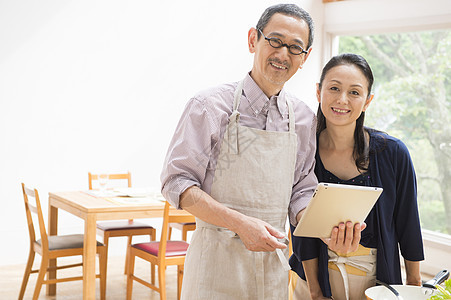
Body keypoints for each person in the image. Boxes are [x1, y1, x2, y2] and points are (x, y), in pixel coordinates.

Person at [161, 4, 362, 299]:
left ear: (305, 58)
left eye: (295, 48)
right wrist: (240, 224)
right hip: (214, 265)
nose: (283, 54)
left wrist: (326, 229)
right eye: (275, 41)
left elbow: (300, 191)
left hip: (272, 267)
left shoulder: (305, 119)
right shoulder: (208, 106)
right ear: (253, 40)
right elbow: (176, 184)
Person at [289, 53, 425, 300]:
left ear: (367, 101)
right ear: (319, 92)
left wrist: (413, 286)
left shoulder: (393, 153)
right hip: (312, 281)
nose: (342, 100)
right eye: (334, 88)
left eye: (354, 92)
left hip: (375, 283)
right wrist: (316, 293)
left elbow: (408, 224)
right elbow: (301, 228)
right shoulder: (302, 149)